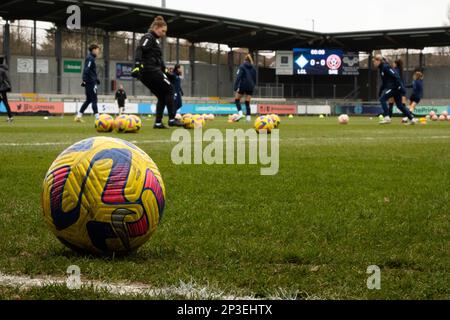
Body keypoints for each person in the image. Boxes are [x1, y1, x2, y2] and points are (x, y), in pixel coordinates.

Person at [132, 16, 183, 129]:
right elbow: (140, 49)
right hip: (150, 71)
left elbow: (158, 61)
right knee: (169, 89)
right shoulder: (148, 37)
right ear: (156, 27)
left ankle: (158, 123)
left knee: (162, 96)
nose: (164, 33)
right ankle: (172, 119)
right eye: (163, 31)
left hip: (151, 71)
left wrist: (168, 74)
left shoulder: (155, 40)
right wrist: (136, 66)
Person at [372, 54, 416, 125]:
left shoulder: (385, 67)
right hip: (394, 88)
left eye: (374, 61)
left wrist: (401, 87)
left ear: (379, 61)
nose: (373, 63)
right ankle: (412, 119)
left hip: (395, 87)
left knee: (382, 99)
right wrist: (380, 91)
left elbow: (396, 76)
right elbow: (384, 83)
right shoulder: (381, 69)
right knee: (400, 106)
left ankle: (387, 118)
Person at [75, 44, 101, 123]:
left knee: (89, 100)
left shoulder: (91, 58)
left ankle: (79, 116)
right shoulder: (90, 58)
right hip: (90, 82)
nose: (98, 51)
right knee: (94, 99)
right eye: (97, 49)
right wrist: (84, 80)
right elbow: (87, 69)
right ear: (93, 50)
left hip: (91, 81)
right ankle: (97, 118)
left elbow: (90, 71)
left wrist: (96, 78)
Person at [234, 54, 257, 122]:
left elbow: (238, 77)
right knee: (247, 102)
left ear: (244, 60)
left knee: (237, 99)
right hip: (251, 86)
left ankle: (240, 113)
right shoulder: (253, 68)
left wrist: (235, 87)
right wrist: (253, 85)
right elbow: (255, 78)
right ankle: (248, 118)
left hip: (243, 85)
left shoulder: (242, 66)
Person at [0, 56, 13, 123]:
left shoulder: (1, 70)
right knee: (5, 102)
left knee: (5, 103)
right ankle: (10, 116)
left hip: (1, 89)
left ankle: (10, 117)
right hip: (3, 89)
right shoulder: (4, 69)